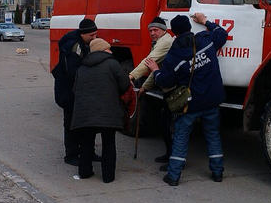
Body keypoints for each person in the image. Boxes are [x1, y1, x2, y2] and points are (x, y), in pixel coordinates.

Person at [144, 13, 228, 186]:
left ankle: (173, 176)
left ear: (173, 32)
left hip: (190, 104)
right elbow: (222, 33)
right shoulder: (206, 40)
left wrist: (155, 69)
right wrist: (206, 22)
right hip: (212, 100)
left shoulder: (174, 55)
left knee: (181, 138)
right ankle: (218, 173)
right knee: (213, 136)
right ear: (190, 28)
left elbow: (165, 81)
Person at [71, 38, 131, 183]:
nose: (111, 50)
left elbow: (74, 90)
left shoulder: (82, 67)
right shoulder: (113, 64)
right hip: (108, 110)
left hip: (85, 112)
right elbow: (124, 85)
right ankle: (108, 176)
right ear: (103, 50)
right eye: (108, 48)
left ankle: (84, 172)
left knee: (86, 142)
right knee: (109, 142)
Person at [52, 18, 100, 166]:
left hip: (79, 91)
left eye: (96, 34)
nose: (94, 38)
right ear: (83, 34)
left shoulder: (84, 44)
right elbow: (73, 74)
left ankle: (88, 152)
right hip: (69, 92)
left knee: (87, 123)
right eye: (91, 35)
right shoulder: (73, 47)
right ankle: (71, 155)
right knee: (72, 123)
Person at [129, 16, 174, 168]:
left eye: (155, 30)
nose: (152, 33)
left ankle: (173, 159)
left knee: (169, 126)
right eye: (150, 30)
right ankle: (170, 155)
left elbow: (149, 62)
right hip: (167, 85)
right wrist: (145, 87)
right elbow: (155, 68)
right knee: (165, 124)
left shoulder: (165, 42)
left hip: (173, 89)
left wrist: (132, 76)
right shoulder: (158, 43)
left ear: (163, 30)